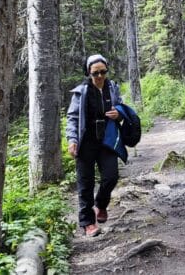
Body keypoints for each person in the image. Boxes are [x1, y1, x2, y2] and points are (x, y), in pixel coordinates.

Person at [66, 54, 123, 236]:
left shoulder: (112, 88)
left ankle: (101, 205)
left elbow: (121, 108)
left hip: (107, 140)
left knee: (111, 176)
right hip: (86, 142)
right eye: (95, 73)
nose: (99, 76)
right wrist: (72, 140)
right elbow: (73, 117)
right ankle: (87, 223)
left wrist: (118, 114)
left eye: (102, 72)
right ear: (88, 72)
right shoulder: (81, 92)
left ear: (107, 70)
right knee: (85, 183)